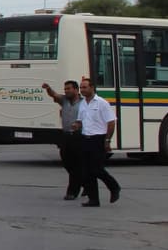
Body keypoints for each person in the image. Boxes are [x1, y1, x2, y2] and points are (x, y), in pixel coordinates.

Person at [73, 76, 121, 207]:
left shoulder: (101, 103)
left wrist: (107, 140)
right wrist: (76, 125)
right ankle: (94, 199)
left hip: (98, 139)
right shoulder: (82, 104)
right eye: (81, 88)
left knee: (97, 169)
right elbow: (80, 120)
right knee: (87, 171)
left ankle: (114, 187)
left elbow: (111, 122)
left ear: (92, 88)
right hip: (85, 138)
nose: (82, 90)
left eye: (84, 87)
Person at [42, 80, 83, 200]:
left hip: (79, 136)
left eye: (69, 89)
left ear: (76, 90)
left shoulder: (84, 103)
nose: (66, 91)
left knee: (77, 164)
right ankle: (83, 181)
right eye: (65, 89)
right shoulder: (64, 100)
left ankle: (72, 191)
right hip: (65, 135)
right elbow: (54, 94)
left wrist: (80, 124)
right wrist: (48, 88)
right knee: (66, 161)